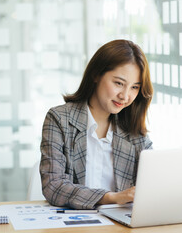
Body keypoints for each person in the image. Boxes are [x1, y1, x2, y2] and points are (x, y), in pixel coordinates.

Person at [40, 39, 153, 210]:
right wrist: (112, 197)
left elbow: (154, 186)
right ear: (96, 75)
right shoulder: (59, 119)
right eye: (119, 83)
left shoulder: (135, 133)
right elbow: (53, 186)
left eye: (134, 87)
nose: (125, 96)